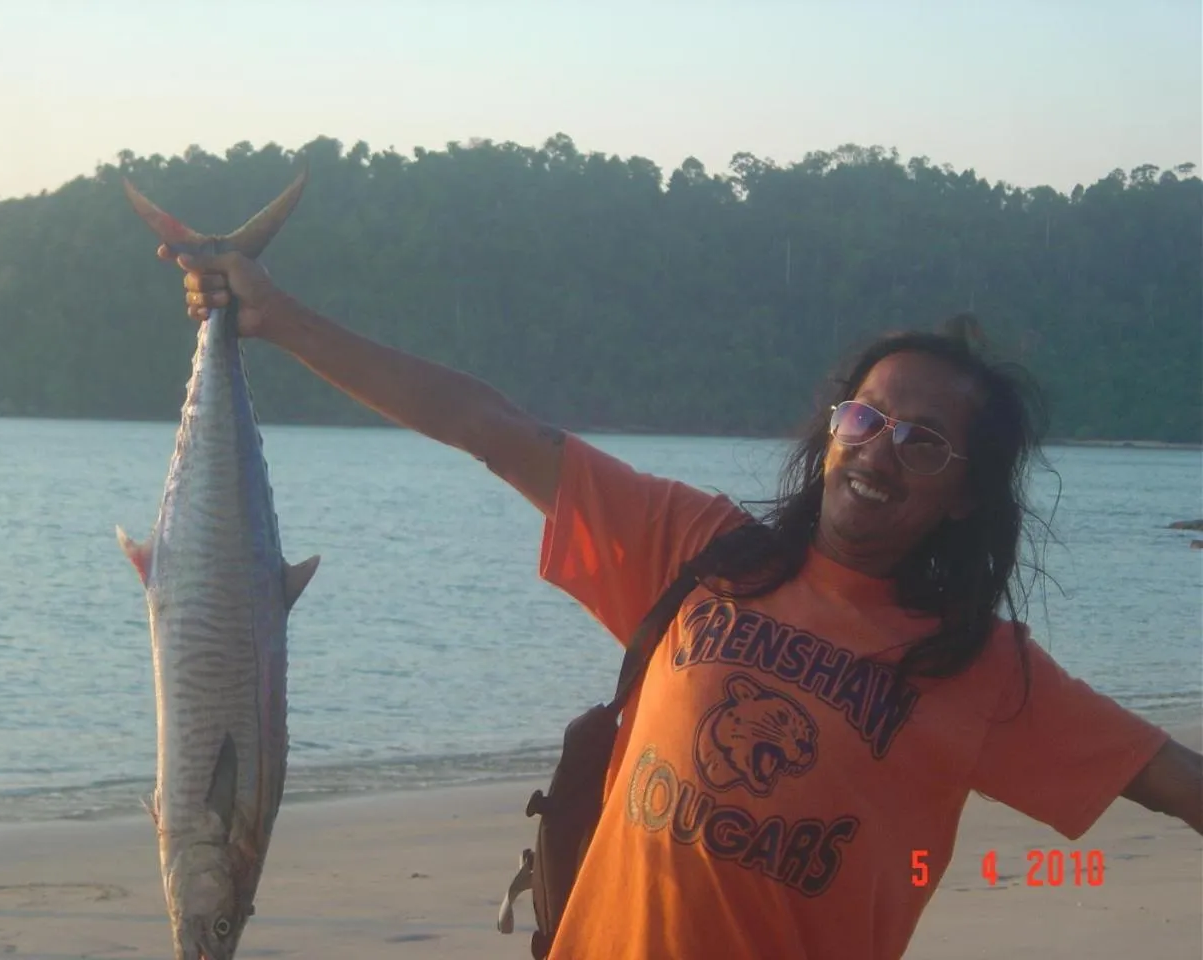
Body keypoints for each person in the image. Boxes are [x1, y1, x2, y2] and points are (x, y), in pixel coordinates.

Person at [161, 243, 1202, 960]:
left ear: (963, 493)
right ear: (831, 426)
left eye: (921, 441)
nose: (878, 450)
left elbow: (1170, 781)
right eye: (866, 417)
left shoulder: (976, 670)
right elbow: (487, 425)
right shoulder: (699, 551)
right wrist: (280, 320)